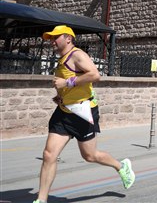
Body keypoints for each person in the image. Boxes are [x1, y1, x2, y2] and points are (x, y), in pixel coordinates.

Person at [33, 25, 135, 203]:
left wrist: (67, 83)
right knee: (49, 155)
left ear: (68, 38)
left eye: (55, 37)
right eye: (51, 38)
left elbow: (95, 75)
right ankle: (41, 200)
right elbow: (68, 82)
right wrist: (61, 95)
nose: (52, 42)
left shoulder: (77, 55)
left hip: (83, 112)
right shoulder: (62, 58)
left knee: (90, 155)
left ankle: (121, 166)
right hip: (64, 111)